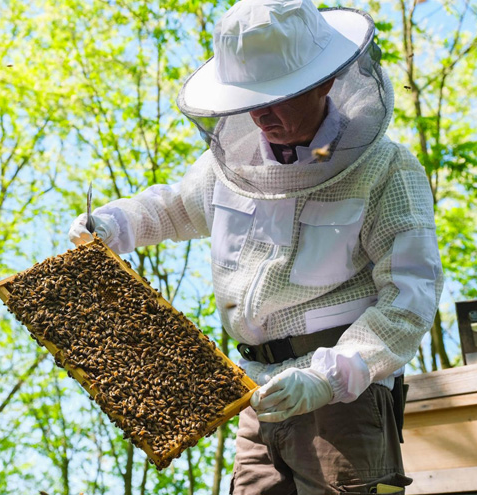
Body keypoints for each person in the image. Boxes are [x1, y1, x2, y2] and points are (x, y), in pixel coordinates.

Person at [69, 0, 443, 493]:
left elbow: (408, 298)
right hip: (255, 393)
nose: (260, 114)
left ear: (325, 82)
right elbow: (175, 208)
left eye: (277, 95)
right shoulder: (232, 164)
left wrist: (326, 379)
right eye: (249, 98)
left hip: (344, 401)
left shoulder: (386, 169)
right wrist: (114, 224)